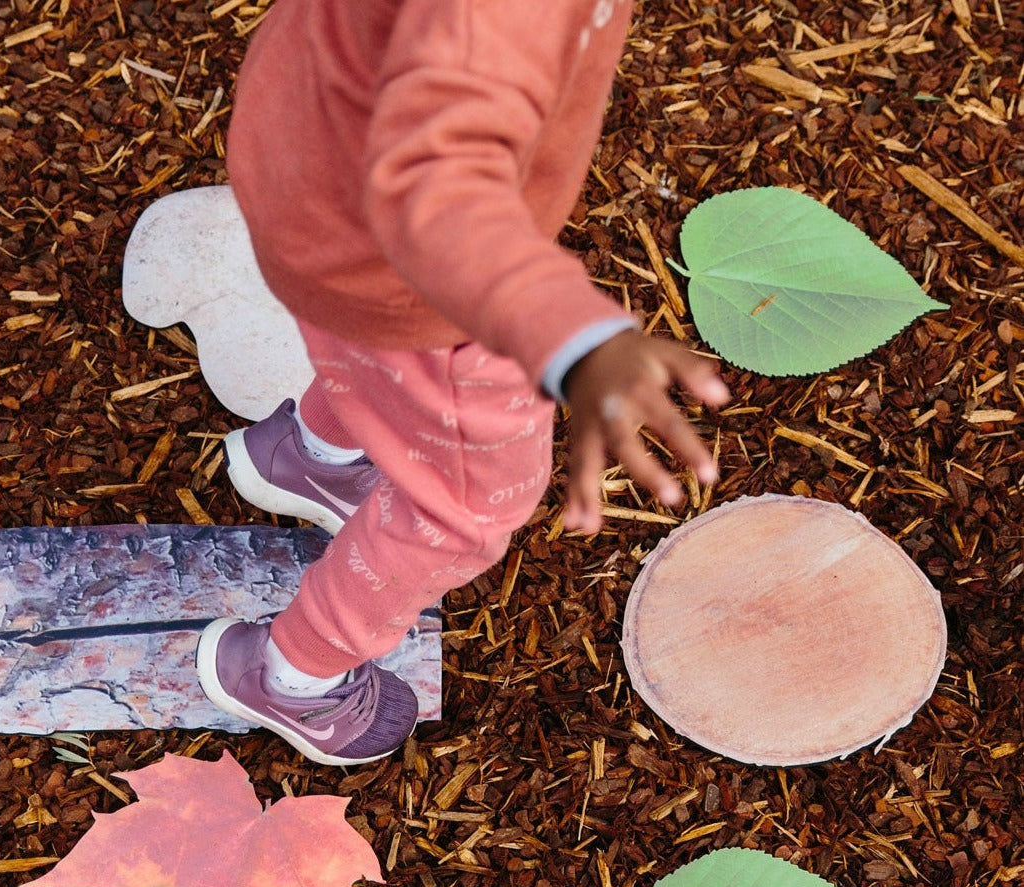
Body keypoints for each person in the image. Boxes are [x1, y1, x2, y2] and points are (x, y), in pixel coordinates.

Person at [197, 0, 730, 766]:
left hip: (312, 171)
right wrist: (569, 338)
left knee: (370, 362)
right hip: (420, 278)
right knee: (470, 500)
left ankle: (318, 453)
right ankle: (297, 674)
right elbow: (433, 183)